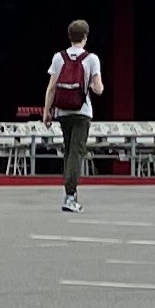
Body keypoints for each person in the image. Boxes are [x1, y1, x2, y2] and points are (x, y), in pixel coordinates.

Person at [41, 19, 104, 212]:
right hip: (82, 112)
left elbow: (51, 88)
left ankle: (68, 192)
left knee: (68, 152)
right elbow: (99, 89)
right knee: (77, 153)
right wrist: (94, 86)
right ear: (85, 37)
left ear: (70, 37)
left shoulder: (59, 57)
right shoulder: (91, 58)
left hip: (63, 112)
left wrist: (46, 112)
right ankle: (70, 196)